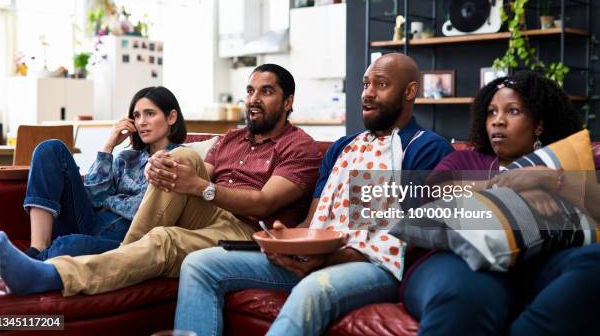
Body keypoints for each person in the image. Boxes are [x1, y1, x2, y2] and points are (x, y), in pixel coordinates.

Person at [173, 53, 454, 336]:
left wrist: (332, 259)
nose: (367, 94)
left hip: (374, 265)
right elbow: (313, 222)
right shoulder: (343, 148)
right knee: (200, 264)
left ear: (410, 91)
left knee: (313, 289)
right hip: (320, 256)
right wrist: (289, 241)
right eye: (365, 84)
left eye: (380, 85)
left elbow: (415, 237)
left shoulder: (427, 148)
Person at [0, 64, 322, 297]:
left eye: (266, 92)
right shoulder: (231, 138)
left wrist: (197, 185)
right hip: (207, 211)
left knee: (159, 229)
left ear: (288, 101)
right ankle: (44, 253)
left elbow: (264, 203)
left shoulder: (299, 146)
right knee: (54, 150)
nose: (254, 99)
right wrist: (162, 172)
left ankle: (118, 255)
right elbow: (199, 175)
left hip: (248, 227)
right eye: (250, 91)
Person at [401, 71, 600, 335]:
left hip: (543, 263)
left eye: (513, 111)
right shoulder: (466, 161)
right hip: (458, 260)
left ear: (538, 124)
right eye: (492, 113)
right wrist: (511, 186)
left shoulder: (571, 163)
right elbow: (439, 191)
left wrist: (548, 180)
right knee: (469, 295)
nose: (498, 122)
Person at [23, 86, 186, 260]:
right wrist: (108, 147)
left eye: (150, 114)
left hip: (125, 239)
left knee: (68, 246)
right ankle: (38, 248)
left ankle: (34, 261)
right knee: (50, 148)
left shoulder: (182, 158)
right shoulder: (126, 158)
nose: (141, 122)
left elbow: (150, 212)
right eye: (137, 115)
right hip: (92, 222)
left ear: (171, 117)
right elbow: (93, 198)